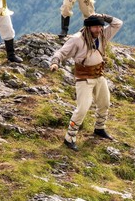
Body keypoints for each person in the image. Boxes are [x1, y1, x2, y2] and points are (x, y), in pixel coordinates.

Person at [49, 13, 123, 151]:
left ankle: (99, 128)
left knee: (104, 103)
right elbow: (61, 52)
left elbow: (118, 23)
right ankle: (69, 137)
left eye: (100, 26)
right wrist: (55, 62)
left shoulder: (102, 35)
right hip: (84, 79)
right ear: (88, 28)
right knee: (82, 108)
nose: (98, 29)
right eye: (95, 27)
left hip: (99, 76)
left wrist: (102, 16)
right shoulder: (77, 39)